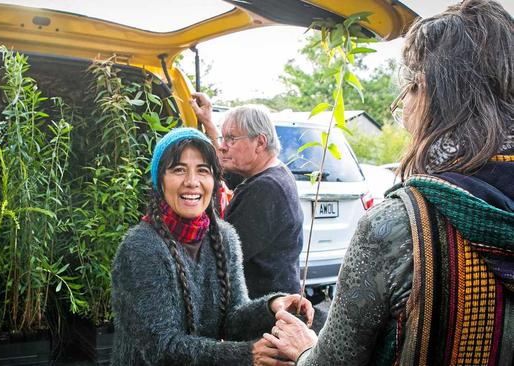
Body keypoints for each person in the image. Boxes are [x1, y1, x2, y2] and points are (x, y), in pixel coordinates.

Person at [259, 0, 514, 365]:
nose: (405, 115)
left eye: (407, 91)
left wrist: (303, 350)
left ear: (428, 92)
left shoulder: (399, 227)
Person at [110, 127, 315, 365]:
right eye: (178, 170)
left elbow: (234, 318)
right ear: (160, 181)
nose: (192, 182)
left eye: (203, 171)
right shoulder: (141, 248)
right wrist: (247, 354)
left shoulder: (224, 237)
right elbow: (162, 347)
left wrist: (273, 305)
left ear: (214, 180)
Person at [191, 98, 304, 299]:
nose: (224, 146)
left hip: (265, 311)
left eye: (231, 139)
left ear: (259, 142)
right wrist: (208, 123)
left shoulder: (265, 189)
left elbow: (222, 255)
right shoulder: (272, 172)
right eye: (223, 138)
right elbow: (226, 166)